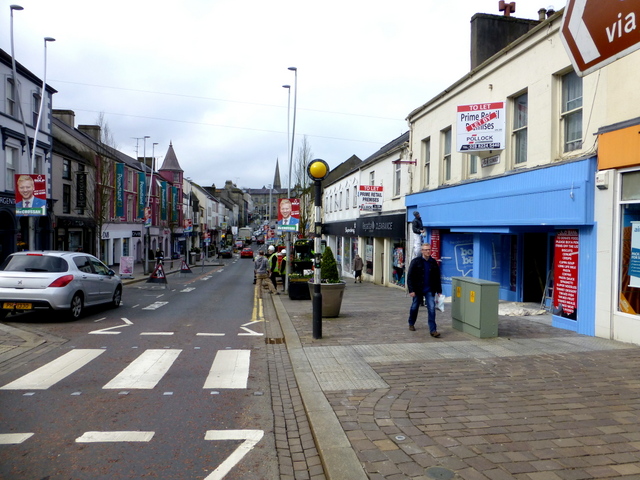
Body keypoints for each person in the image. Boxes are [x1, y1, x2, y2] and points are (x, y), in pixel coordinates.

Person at [406, 243, 442, 337]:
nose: (428, 251)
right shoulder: (416, 261)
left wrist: (439, 290)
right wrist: (411, 290)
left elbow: (437, 277)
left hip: (429, 289)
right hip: (417, 289)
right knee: (414, 307)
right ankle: (411, 323)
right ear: (422, 251)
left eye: (429, 249)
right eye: (425, 250)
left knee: (431, 309)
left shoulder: (433, 262)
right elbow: (410, 277)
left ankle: (433, 330)